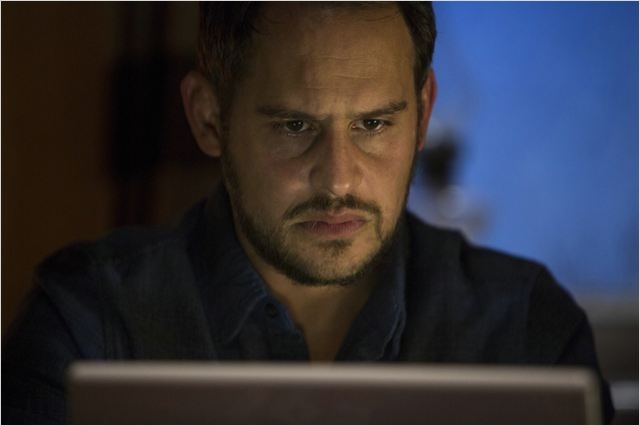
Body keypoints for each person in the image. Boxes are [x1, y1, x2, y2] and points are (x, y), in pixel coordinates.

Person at [2, 2, 613, 424]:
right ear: (209, 118)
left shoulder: (527, 331)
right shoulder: (87, 326)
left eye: (373, 124)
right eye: (295, 127)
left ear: (424, 112)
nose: (339, 179)